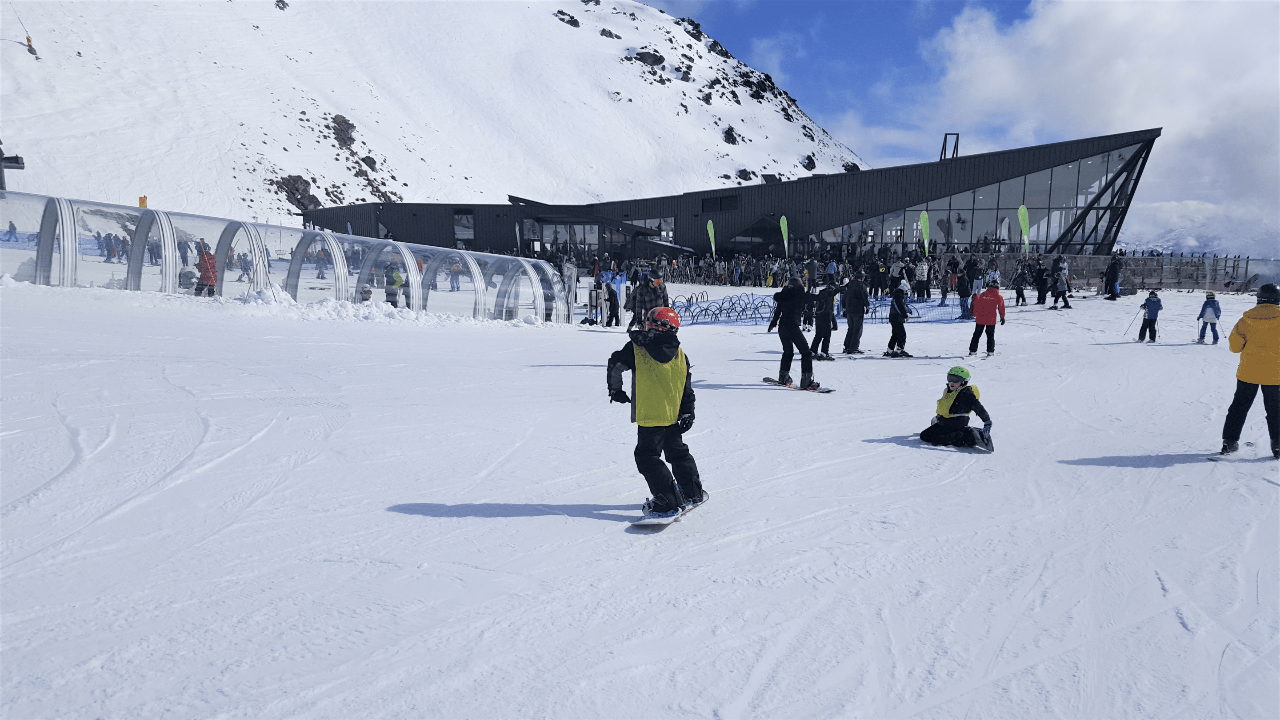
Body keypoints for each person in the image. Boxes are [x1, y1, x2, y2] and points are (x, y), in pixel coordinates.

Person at [607, 307, 707, 519]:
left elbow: (615, 364)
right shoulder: (680, 354)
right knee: (677, 453)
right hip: (672, 416)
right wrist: (688, 412)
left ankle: (667, 501)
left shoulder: (637, 347)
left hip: (650, 416)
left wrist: (615, 390)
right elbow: (686, 387)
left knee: (647, 457)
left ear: (651, 324)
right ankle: (693, 492)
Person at [1219, 283, 1279, 458]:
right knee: (1276, 410)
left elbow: (1235, 347)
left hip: (1248, 373)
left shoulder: (1245, 320)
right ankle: (1278, 445)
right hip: (1276, 374)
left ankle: (1229, 442)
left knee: (1239, 407)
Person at [920, 366, 993, 451]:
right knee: (924, 436)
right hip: (945, 421)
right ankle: (954, 433)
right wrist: (938, 417)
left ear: (963, 381)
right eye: (949, 378)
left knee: (936, 439)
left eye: (955, 379)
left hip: (957, 422)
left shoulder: (966, 394)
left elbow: (978, 407)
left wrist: (987, 421)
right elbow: (945, 406)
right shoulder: (948, 391)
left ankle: (967, 436)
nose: (951, 382)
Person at [767, 277, 819, 389]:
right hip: (792, 327)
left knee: (788, 351)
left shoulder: (784, 296)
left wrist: (773, 323)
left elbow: (778, 311)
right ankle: (806, 380)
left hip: (782, 327)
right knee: (806, 352)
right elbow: (815, 297)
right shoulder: (799, 295)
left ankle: (783, 376)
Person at [969, 280, 1007, 356]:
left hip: (980, 318)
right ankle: (990, 351)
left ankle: (972, 351)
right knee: (990, 336)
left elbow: (978, 305)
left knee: (976, 335)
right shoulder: (998, 296)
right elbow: (1001, 307)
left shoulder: (983, 294)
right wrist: (1002, 317)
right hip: (991, 319)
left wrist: (974, 313)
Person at [841, 271, 870, 354]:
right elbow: (864, 297)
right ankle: (854, 347)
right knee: (857, 329)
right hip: (858, 309)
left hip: (849, 310)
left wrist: (844, 308)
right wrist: (867, 306)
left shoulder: (849, 285)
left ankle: (847, 346)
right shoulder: (861, 286)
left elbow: (844, 297)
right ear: (862, 277)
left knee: (851, 328)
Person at [809, 281, 839, 361]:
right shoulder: (830, 293)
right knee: (827, 335)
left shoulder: (822, 292)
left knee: (818, 334)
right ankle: (824, 352)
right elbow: (837, 290)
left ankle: (813, 351)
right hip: (826, 316)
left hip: (818, 315)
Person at [884, 279, 911, 358]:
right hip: (897, 317)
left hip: (894, 317)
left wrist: (909, 310)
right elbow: (899, 306)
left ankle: (890, 350)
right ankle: (899, 350)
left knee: (895, 334)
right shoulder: (898, 295)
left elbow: (903, 305)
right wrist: (905, 315)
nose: (906, 292)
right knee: (902, 334)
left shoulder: (898, 294)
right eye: (906, 290)